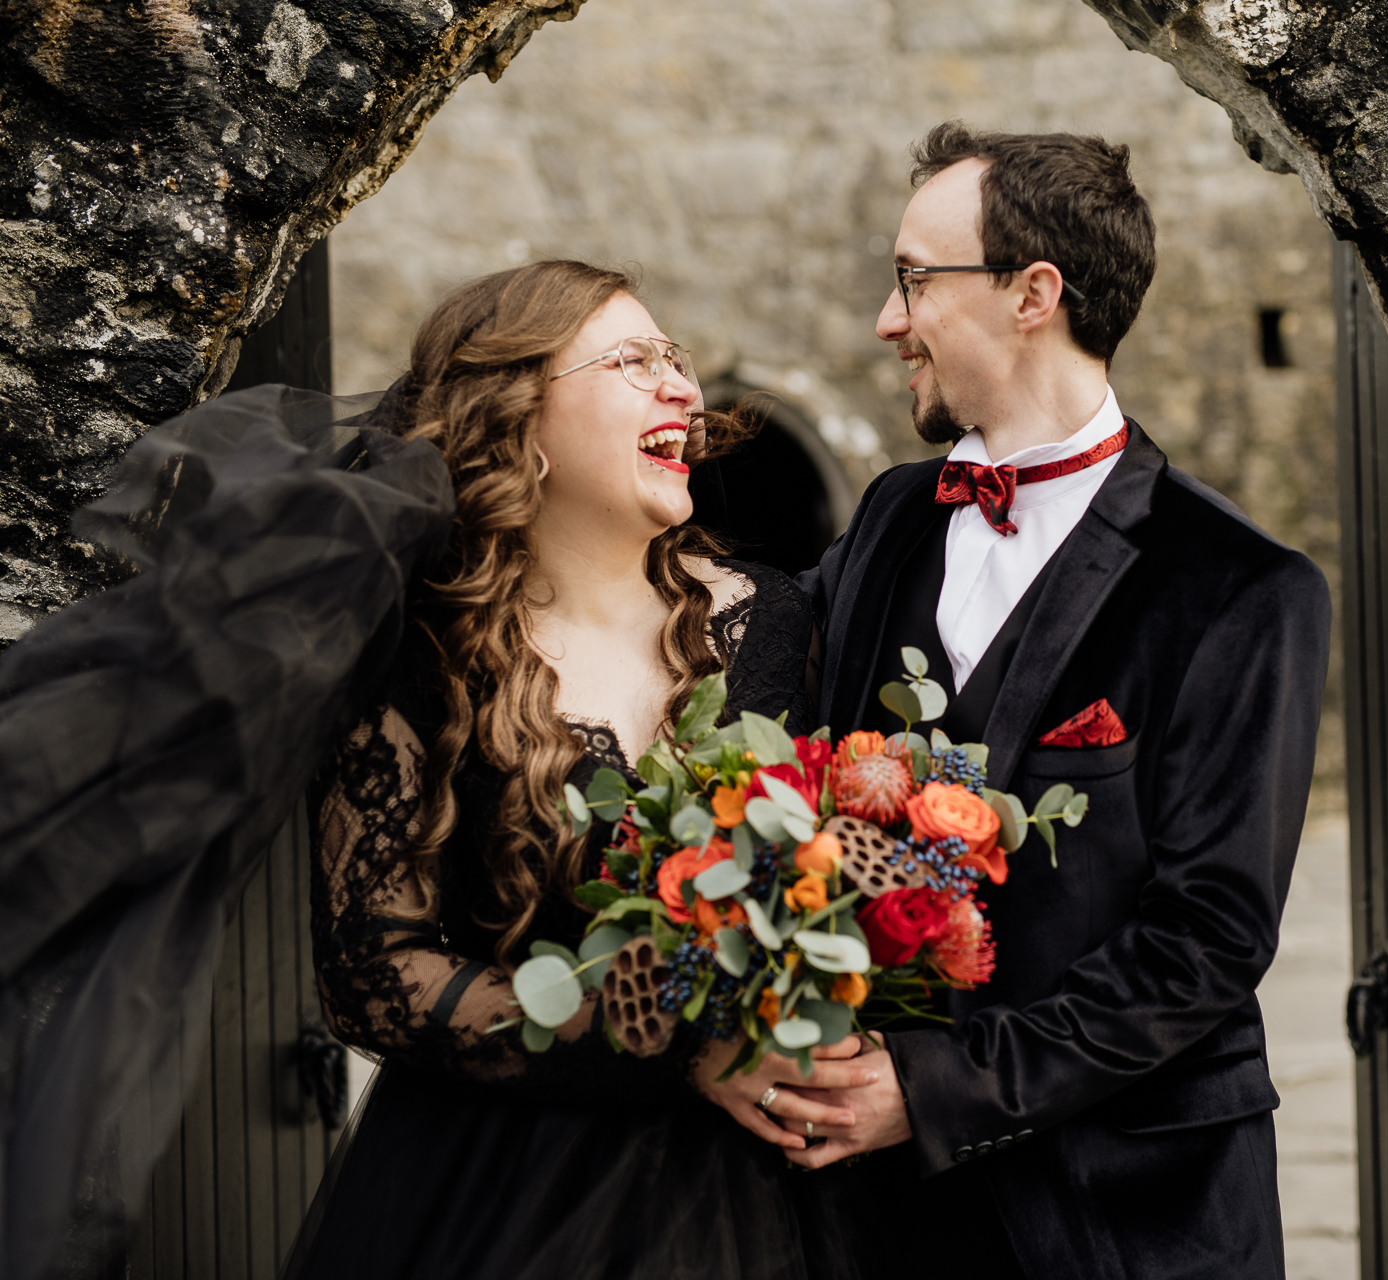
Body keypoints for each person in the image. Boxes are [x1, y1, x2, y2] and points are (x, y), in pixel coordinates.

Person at [782, 124, 1333, 1278]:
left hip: (1131, 1212)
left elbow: (1207, 944)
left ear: (1034, 292)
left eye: (912, 280)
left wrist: (931, 1090)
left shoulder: (1244, 588)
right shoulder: (888, 518)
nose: (889, 321)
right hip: (884, 1221)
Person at [264, 260, 868, 1280]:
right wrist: (654, 1040)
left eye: (676, 359)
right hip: (508, 1187)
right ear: (519, 418)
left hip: (779, 1194)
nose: (682, 387)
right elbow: (373, 971)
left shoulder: (780, 623)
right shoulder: (425, 655)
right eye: (634, 360)